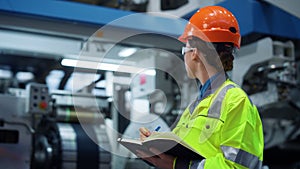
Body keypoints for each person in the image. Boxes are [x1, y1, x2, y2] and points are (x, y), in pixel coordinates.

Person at [137, 5, 264, 169]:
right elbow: (184, 151)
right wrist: (156, 144)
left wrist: (180, 165)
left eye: (184, 49)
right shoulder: (194, 107)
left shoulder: (236, 101)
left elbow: (237, 166)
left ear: (194, 51)